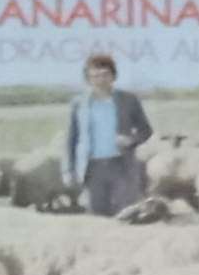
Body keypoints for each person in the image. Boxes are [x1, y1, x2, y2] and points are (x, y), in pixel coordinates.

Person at [63, 53, 153, 218]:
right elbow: (71, 139)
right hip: (92, 168)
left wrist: (131, 140)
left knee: (126, 215)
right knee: (96, 217)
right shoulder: (78, 104)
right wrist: (68, 170)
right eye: (95, 76)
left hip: (122, 166)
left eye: (105, 75)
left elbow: (146, 130)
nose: (101, 80)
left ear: (113, 76)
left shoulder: (128, 100)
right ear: (88, 79)